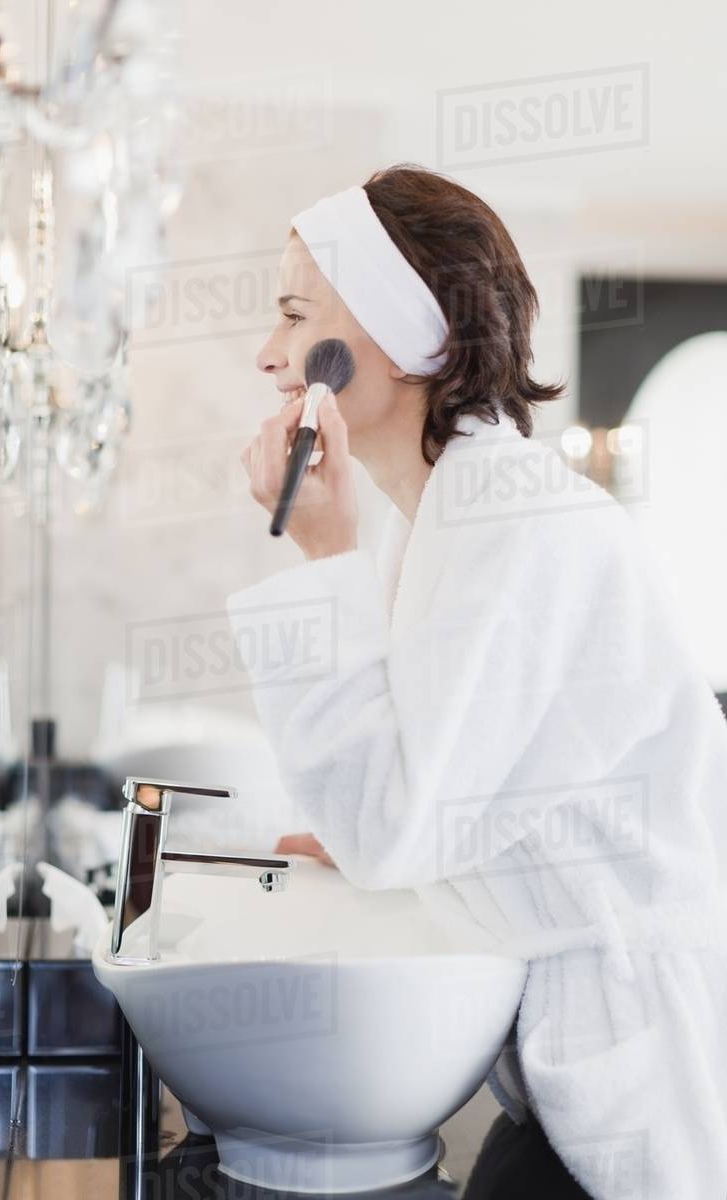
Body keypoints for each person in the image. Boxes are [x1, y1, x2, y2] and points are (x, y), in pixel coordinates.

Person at [224, 164, 727, 1200]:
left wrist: (324, 560)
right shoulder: (455, 517)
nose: (271, 355)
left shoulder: (510, 522)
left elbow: (405, 820)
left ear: (408, 331)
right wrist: (387, 853)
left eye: (293, 316)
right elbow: (457, 805)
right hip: (575, 1057)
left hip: (636, 1065)